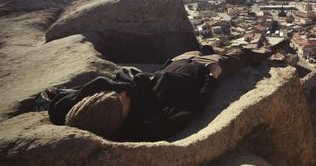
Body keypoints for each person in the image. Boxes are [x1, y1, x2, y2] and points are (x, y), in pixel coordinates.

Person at [43, 46, 273, 141]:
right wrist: (213, 75)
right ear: (118, 119)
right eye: (119, 101)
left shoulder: (87, 109)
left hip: (177, 62)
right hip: (204, 69)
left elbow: (61, 105)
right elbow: (197, 105)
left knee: (206, 49)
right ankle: (266, 52)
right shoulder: (155, 123)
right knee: (240, 56)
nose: (121, 94)